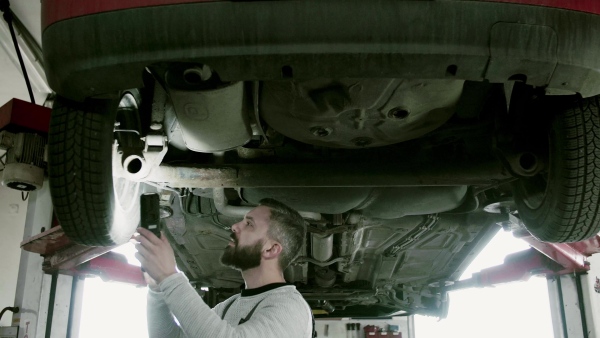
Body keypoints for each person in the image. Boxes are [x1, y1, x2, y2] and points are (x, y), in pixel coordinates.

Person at [134, 198, 314, 338]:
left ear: (271, 249)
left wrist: (169, 276)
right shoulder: (229, 307)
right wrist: (157, 289)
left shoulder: (290, 308)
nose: (235, 226)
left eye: (249, 224)